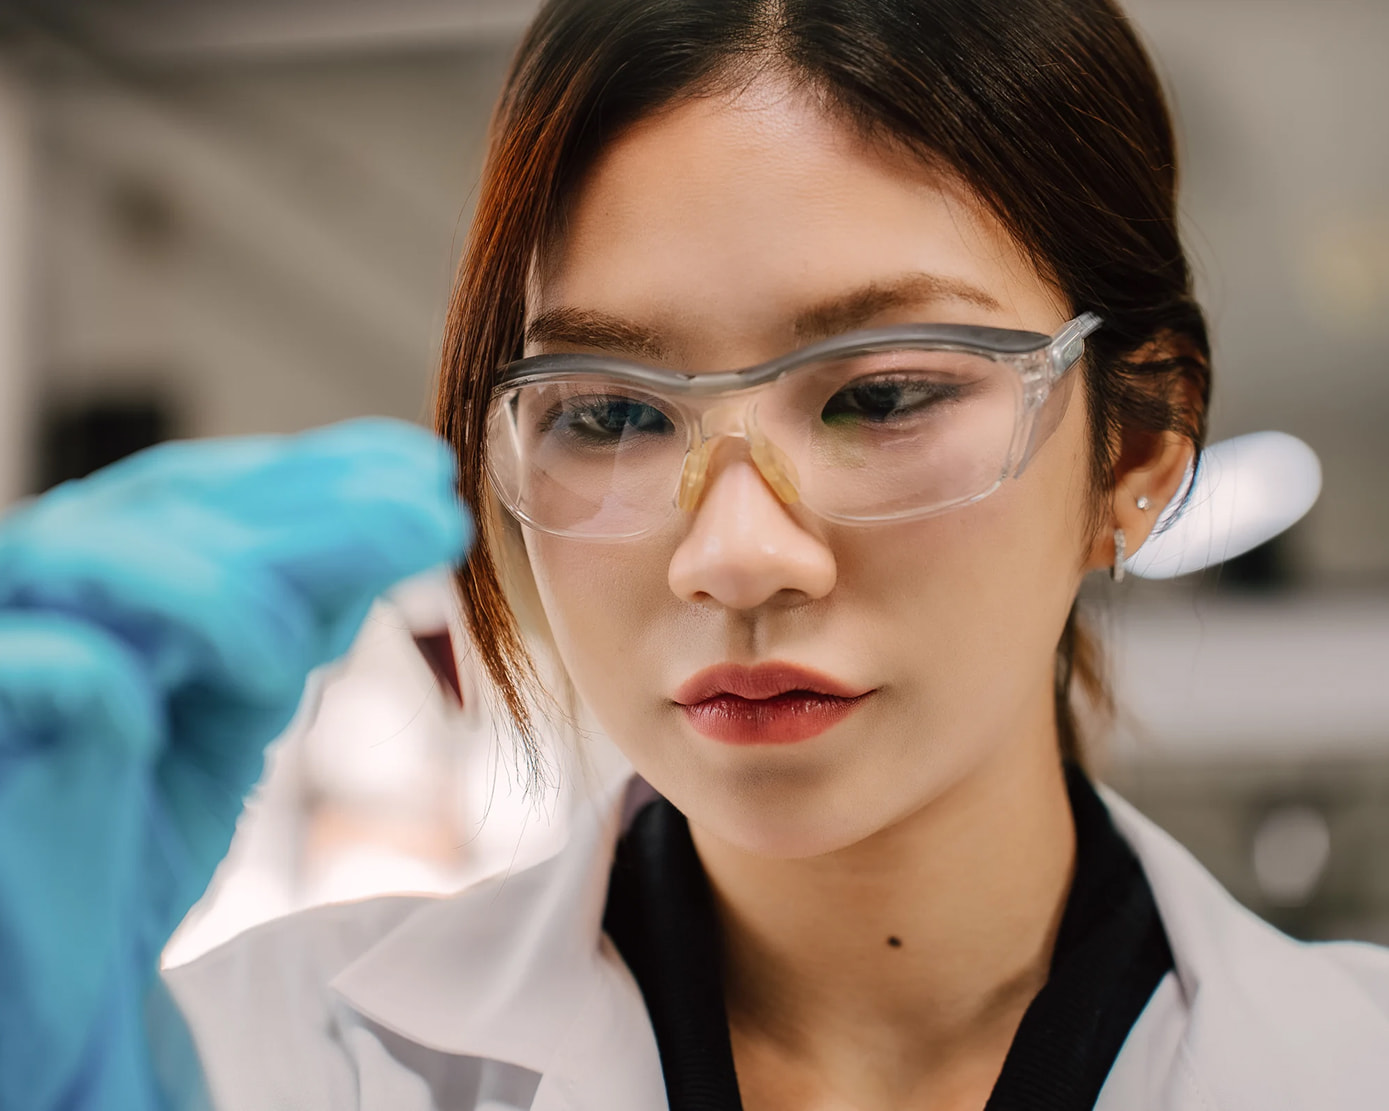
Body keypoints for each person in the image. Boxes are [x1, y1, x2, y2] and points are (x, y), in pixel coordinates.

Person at [2, 1, 1387, 1108]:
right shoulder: (251, 1065)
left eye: (883, 395)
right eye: (610, 414)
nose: (732, 557)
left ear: (1139, 446)